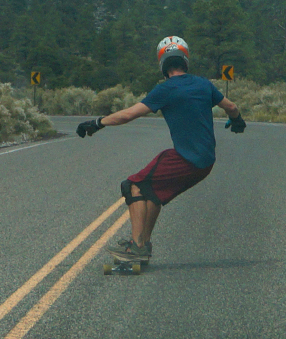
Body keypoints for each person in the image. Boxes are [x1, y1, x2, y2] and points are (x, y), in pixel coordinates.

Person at [76, 36, 246, 265]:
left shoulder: (165, 90)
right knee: (153, 192)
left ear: (162, 64)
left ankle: (136, 248)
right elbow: (232, 107)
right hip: (206, 162)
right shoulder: (204, 84)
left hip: (187, 159)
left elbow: (128, 115)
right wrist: (237, 121)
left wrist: (98, 123)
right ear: (185, 60)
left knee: (133, 185)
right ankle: (143, 244)